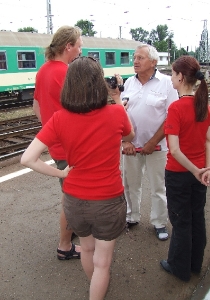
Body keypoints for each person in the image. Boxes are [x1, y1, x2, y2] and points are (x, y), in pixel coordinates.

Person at [21, 56, 135, 300]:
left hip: (74, 201)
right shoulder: (116, 114)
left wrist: (61, 172)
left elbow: (27, 159)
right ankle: (98, 290)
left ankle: (94, 285)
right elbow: (131, 136)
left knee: (87, 249)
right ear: (98, 83)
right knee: (103, 263)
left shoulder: (60, 118)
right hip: (108, 201)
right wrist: (116, 99)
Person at [160, 56, 210, 282]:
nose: (171, 78)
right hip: (200, 174)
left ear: (181, 77)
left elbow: (174, 150)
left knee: (181, 221)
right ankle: (194, 265)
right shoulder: (204, 106)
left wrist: (195, 170)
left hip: (179, 175)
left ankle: (178, 268)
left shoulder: (176, 108)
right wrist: (206, 168)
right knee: (197, 218)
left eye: (173, 74)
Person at [33, 25, 83, 260]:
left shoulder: (42, 70)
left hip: (56, 144)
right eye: (79, 46)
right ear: (68, 47)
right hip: (72, 146)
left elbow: (37, 106)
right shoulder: (66, 72)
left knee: (67, 192)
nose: (80, 51)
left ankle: (70, 233)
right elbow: (80, 111)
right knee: (72, 197)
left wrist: (50, 130)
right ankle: (65, 246)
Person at [121, 44, 178, 241]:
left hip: (157, 147)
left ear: (153, 62)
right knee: (130, 184)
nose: (135, 61)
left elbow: (171, 117)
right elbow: (121, 115)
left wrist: (153, 142)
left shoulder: (167, 84)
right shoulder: (128, 83)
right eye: (134, 57)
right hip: (131, 148)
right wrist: (124, 141)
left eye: (140, 58)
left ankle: (159, 222)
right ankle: (132, 216)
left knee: (158, 187)